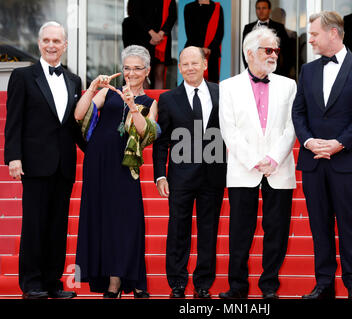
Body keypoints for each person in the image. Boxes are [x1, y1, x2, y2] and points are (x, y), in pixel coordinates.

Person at [292, 11, 352, 299]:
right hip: (314, 159)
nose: (311, 39)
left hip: (348, 158)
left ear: (333, 33)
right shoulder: (308, 70)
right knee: (319, 223)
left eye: (314, 34)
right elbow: (298, 111)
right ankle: (324, 283)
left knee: (348, 222)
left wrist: (339, 143)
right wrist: (308, 142)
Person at [3, 21, 84, 299]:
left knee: (58, 225)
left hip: (64, 165)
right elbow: (13, 121)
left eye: (57, 41)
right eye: (47, 40)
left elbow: (75, 126)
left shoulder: (74, 81)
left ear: (65, 46)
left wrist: (98, 150)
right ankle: (32, 283)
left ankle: (53, 282)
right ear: (39, 43)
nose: (51, 45)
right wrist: (14, 157)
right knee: (35, 224)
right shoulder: (23, 77)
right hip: (35, 163)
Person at [74, 45, 159, 299]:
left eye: (137, 69)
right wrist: (92, 89)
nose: (131, 73)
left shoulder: (150, 102)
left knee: (127, 223)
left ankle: (133, 278)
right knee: (104, 223)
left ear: (147, 71)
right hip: (97, 163)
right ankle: (113, 282)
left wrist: (132, 105)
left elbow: (146, 133)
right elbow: (79, 115)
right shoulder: (108, 94)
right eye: (127, 68)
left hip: (124, 168)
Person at [218, 27, 297, 299]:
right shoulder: (228, 87)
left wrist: (274, 158)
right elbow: (229, 130)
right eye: (268, 50)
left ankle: (269, 286)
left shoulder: (289, 85)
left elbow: (291, 126)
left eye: (276, 50)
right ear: (249, 52)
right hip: (243, 169)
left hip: (280, 167)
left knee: (277, 231)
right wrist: (255, 160)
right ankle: (237, 287)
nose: (274, 54)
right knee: (240, 232)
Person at [152, 46, 226, 299]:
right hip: (180, 176)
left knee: (209, 230)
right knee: (178, 230)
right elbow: (162, 142)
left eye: (195, 63)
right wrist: (160, 174)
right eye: (185, 64)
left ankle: (203, 284)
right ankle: (177, 283)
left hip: (213, 174)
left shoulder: (221, 93)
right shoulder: (169, 99)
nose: (190, 68)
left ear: (205, 64)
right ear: (180, 67)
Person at [122, 0, 177, 89]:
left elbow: (172, 16)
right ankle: (144, 102)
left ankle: (158, 102)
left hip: (162, 39)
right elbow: (135, 13)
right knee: (143, 75)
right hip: (142, 37)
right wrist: (152, 33)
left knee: (160, 73)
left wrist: (161, 34)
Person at [242, 0, 290, 77]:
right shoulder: (248, 28)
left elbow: (287, 52)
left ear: (269, 10)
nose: (261, 11)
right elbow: (245, 50)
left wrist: (282, 72)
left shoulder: (279, 27)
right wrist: (250, 70)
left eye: (264, 8)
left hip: (276, 73)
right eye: (258, 8)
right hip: (254, 73)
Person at [184, 0, 224, 83]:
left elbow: (220, 32)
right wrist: (200, 49)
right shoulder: (189, 7)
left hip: (212, 52)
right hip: (193, 52)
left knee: (212, 85)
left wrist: (209, 48)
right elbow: (190, 32)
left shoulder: (217, 7)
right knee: (193, 82)